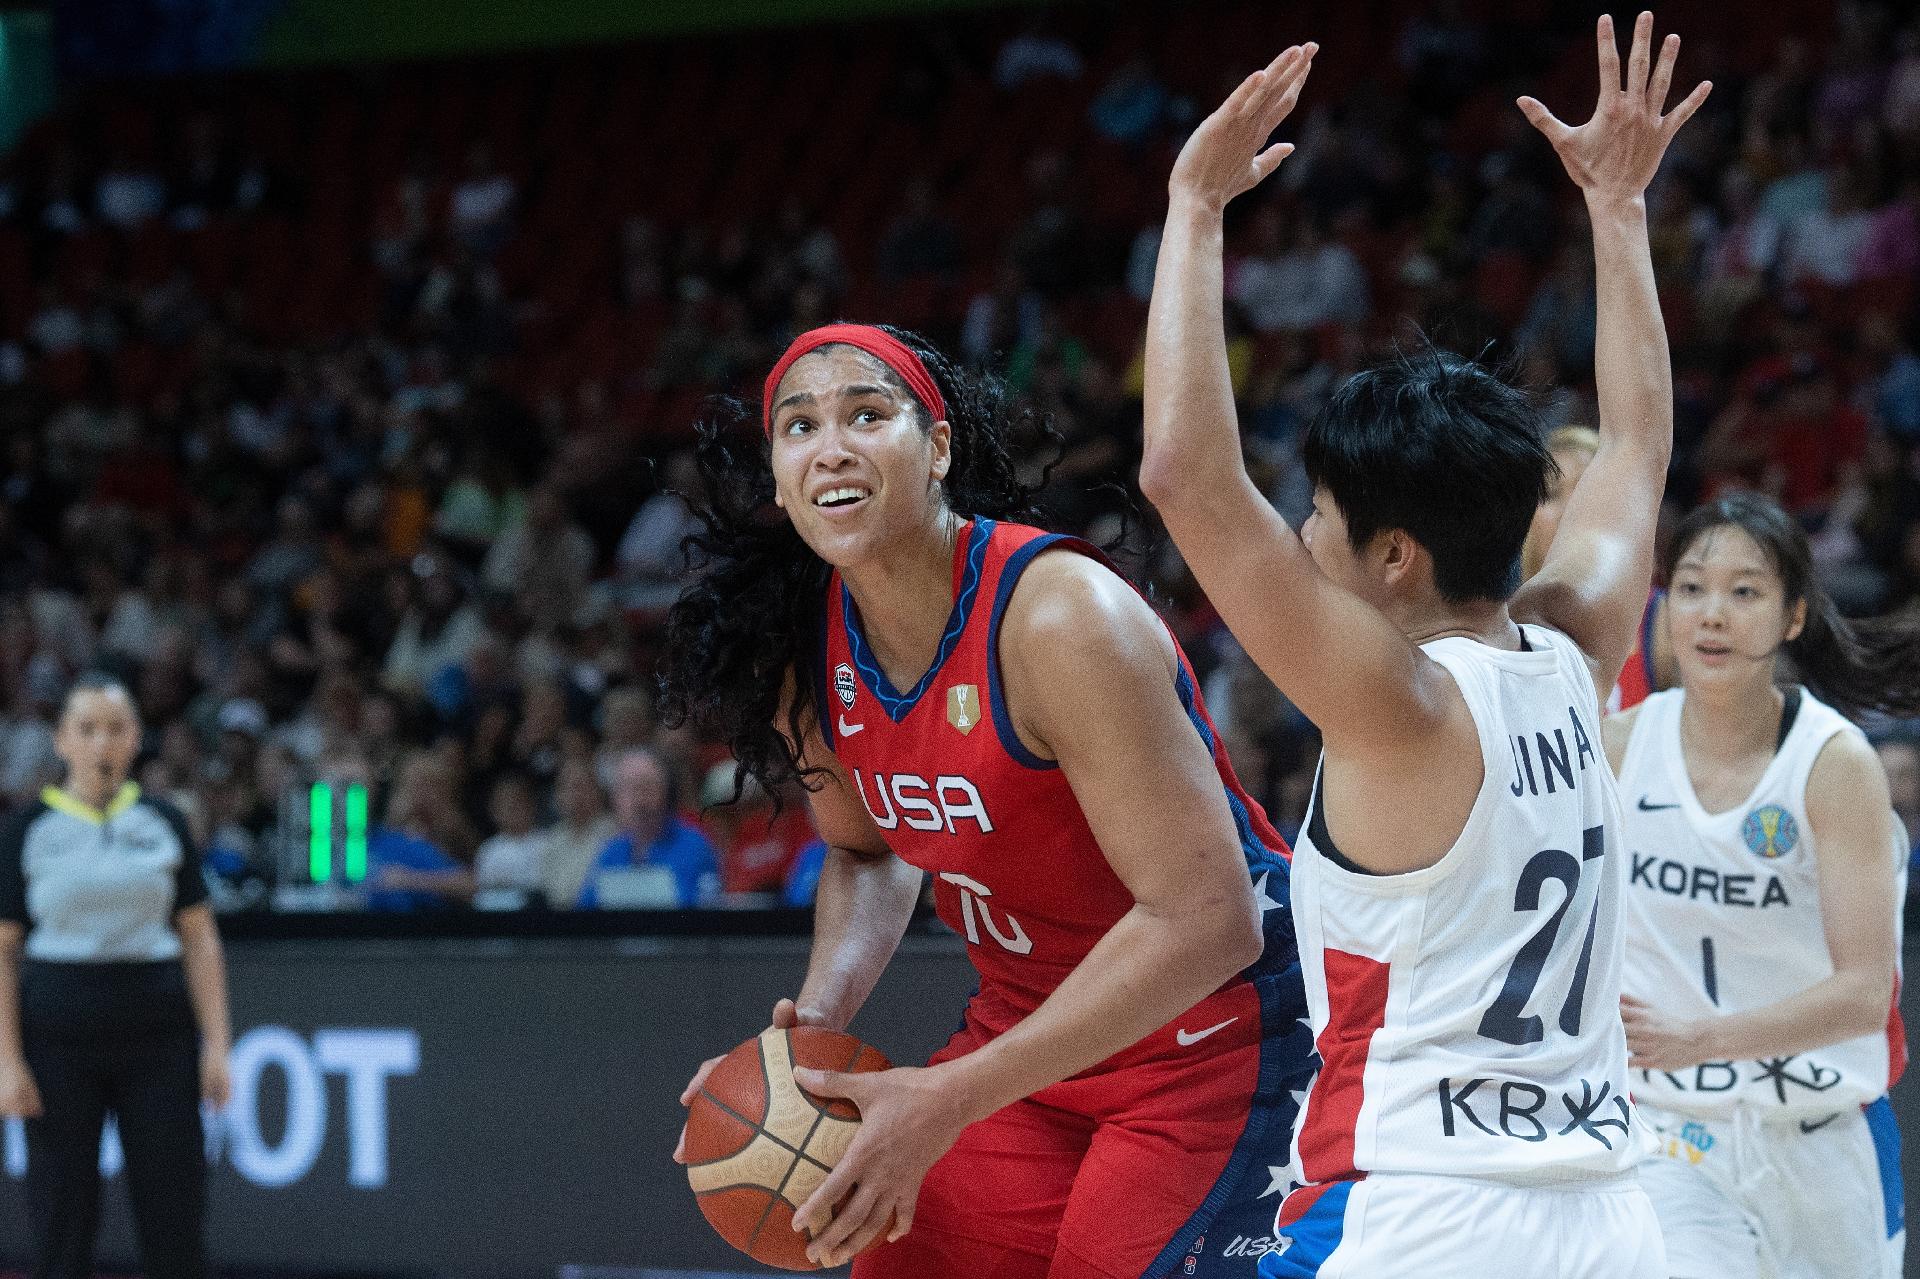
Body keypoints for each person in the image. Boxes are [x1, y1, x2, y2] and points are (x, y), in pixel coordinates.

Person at [1138, 20, 1707, 1278]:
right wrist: (1618, 211)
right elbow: (1637, 451)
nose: (1300, 532)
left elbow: (1185, 476)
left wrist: (1193, 203)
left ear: (1394, 554)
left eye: (1323, 517)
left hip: (1430, 1216)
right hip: (1614, 1214)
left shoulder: (1397, 701)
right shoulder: (1575, 640)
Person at [661, 320, 1310, 1277]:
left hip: (1215, 1048)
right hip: (1031, 1047)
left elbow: (1212, 921)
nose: (830, 445)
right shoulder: (806, 642)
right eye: (799, 427)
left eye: (866, 414)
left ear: (938, 448)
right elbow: (863, 851)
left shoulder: (1058, 618)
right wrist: (809, 1039)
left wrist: (950, 1095)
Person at [1608, 492, 1917, 1279]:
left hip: (1819, 1133)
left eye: (1744, 591)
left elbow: (1861, 991)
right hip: (1671, 1134)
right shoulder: (1617, 748)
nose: (1712, 613)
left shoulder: (1833, 762)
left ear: (1792, 617)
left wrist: (1702, 1038)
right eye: (1691, 587)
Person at [0, 673, 233, 1279]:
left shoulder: (162, 820)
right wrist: (5, 1059)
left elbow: (200, 938)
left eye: (116, 728)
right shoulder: (28, 830)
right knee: (62, 1218)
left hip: (157, 1029)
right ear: (61, 742)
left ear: (135, 740)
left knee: (174, 1213)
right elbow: (2, 950)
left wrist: (218, 1045)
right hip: (57, 1031)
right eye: (87, 728)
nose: (101, 742)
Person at [1521, 423, 1674, 709]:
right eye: (1552, 494)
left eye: (1584, 491)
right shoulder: (1496, 622)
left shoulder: (1663, 622)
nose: (1568, 511)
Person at [576, 746, 718, 909]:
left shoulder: (695, 847)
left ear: (667, 793)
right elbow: (583, 914)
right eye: (629, 789)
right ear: (614, 798)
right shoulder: (611, 852)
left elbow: (703, 915)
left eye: (647, 787)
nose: (639, 800)